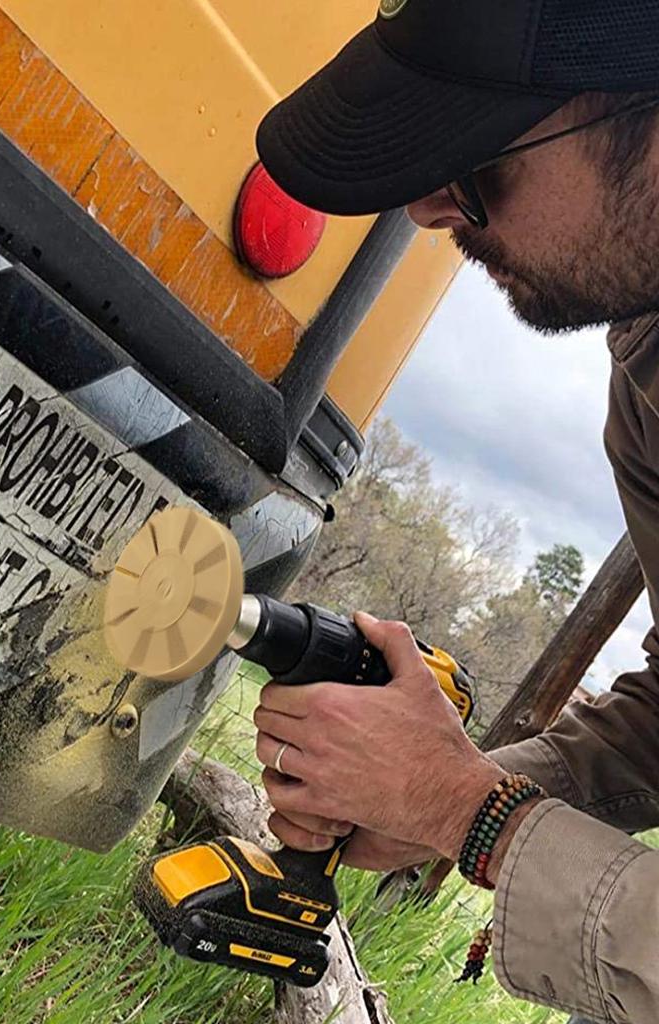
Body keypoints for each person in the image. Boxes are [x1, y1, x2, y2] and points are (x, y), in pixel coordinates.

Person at [249, 3, 659, 1024]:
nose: (432, 214)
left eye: (475, 165)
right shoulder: (647, 394)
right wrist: (445, 787)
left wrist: (467, 813)